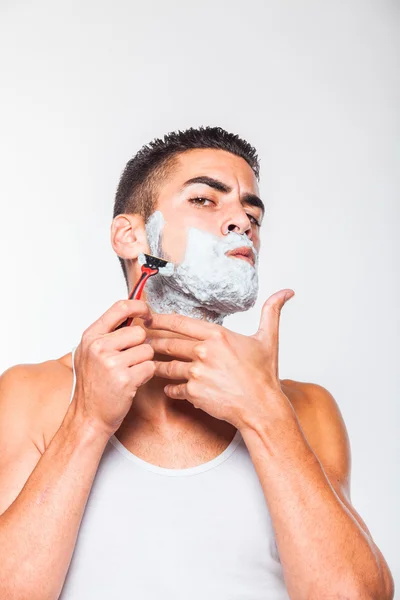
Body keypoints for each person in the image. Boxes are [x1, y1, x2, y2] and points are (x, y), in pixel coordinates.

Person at [0, 127, 394, 600]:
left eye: (252, 212)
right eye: (206, 200)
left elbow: (354, 596)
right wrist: (86, 422)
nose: (242, 222)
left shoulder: (305, 408)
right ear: (130, 236)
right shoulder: (33, 393)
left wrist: (265, 414)